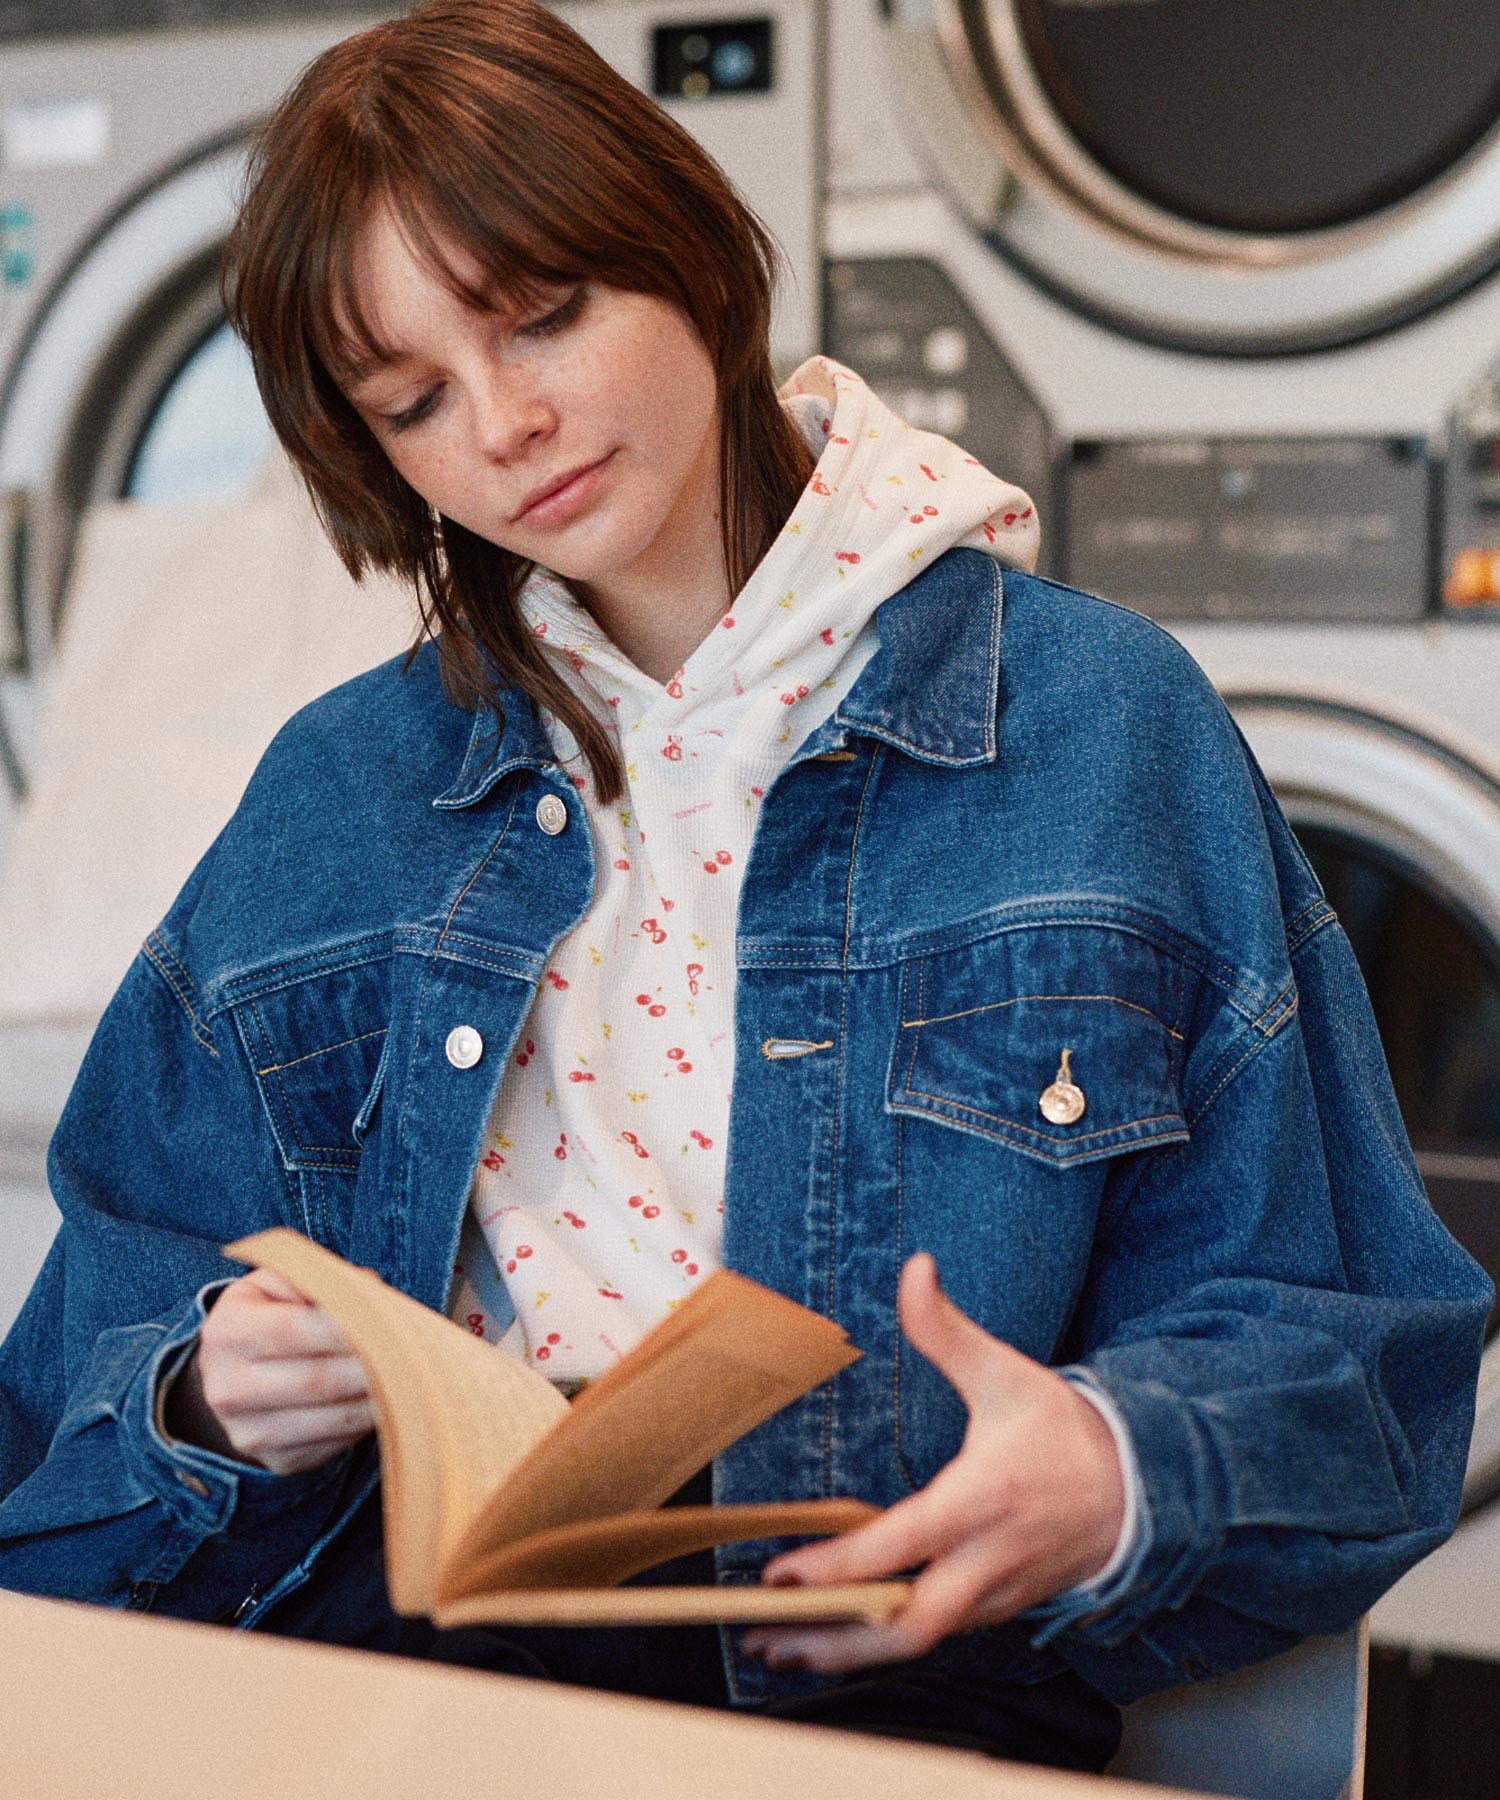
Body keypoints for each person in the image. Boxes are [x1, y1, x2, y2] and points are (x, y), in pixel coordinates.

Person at [0, 0, 1490, 1774]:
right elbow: (65, 1404)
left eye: (545, 314)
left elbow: (1356, 1351)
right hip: (392, 1676)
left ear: (691, 257)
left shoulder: (1098, 725)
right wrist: (202, 1395)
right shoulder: (345, 788)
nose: (506, 425)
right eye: (413, 402)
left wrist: (1113, 1466)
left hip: (901, 1691)